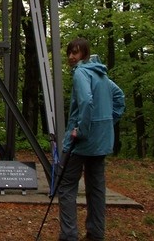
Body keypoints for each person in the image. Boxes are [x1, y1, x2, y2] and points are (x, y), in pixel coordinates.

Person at [57, 37, 125, 241]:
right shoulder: (101, 74)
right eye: (69, 52)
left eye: (75, 53)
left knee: (66, 185)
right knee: (96, 188)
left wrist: (83, 129)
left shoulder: (81, 72)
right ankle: (96, 233)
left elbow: (86, 100)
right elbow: (119, 98)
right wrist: (105, 124)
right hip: (101, 142)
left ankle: (69, 235)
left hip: (80, 143)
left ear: (84, 54)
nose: (71, 57)